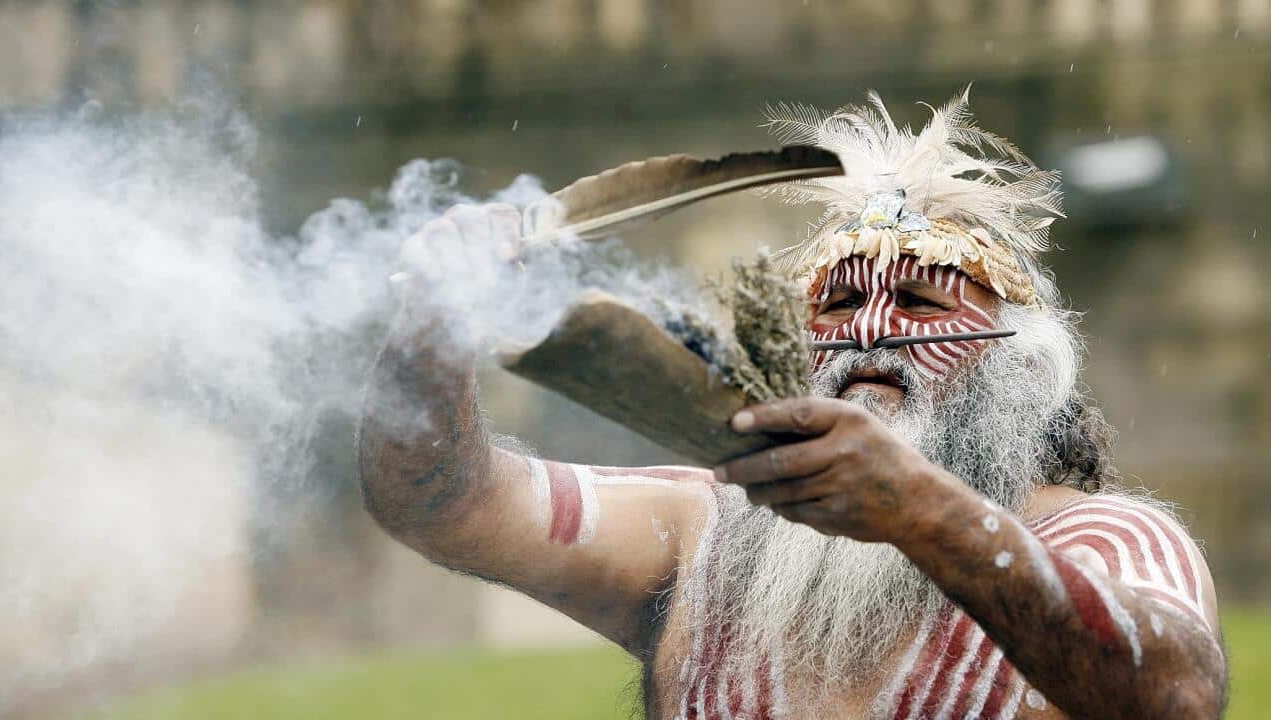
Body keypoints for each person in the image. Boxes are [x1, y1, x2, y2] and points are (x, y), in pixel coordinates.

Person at [357, 90, 1226, 719]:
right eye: (839, 306)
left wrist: (917, 507)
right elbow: (442, 503)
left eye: (922, 304)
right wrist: (433, 330)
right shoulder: (696, 535)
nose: (871, 334)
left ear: (1024, 368)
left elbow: (1178, 697)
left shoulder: (1102, 541)